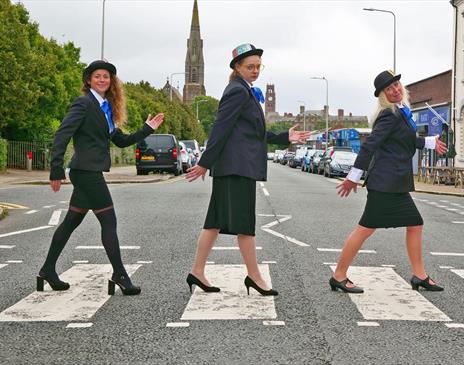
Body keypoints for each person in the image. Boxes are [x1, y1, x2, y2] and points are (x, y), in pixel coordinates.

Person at [186, 44, 310, 296]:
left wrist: (285, 135)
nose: (255, 71)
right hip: (236, 168)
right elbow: (221, 128)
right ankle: (254, 276)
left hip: (232, 167)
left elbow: (253, 131)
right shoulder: (237, 92)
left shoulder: (244, 91)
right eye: (249, 67)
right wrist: (204, 163)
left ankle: (197, 271)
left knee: (215, 222)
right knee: (245, 225)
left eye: (258, 66)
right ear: (237, 68)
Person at [37, 60, 164, 296]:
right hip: (86, 173)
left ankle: (47, 270)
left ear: (111, 81)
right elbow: (62, 134)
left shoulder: (105, 108)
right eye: (98, 76)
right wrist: (55, 170)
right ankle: (120, 275)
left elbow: (120, 140)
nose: (103, 80)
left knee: (71, 222)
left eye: (106, 76)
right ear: (88, 80)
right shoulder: (84, 104)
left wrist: (147, 128)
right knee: (109, 221)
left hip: (88, 171)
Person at [330, 70, 448, 294]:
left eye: (397, 84)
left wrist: (431, 143)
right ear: (383, 95)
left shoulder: (401, 113)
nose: (395, 89)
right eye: (389, 88)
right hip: (385, 184)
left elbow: (405, 139)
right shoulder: (389, 114)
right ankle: (338, 275)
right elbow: (370, 145)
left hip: (394, 184)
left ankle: (419, 275)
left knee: (415, 224)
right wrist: (353, 177)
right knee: (364, 229)